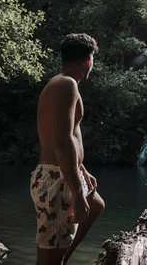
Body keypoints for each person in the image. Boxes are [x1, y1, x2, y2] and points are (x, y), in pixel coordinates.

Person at [30, 33, 104, 265]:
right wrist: (78, 194)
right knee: (48, 258)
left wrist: (81, 168)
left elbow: (67, 133)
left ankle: (63, 259)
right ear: (88, 61)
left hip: (63, 172)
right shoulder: (66, 84)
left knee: (95, 206)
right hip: (55, 177)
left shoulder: (63, 83)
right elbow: (61, 140)